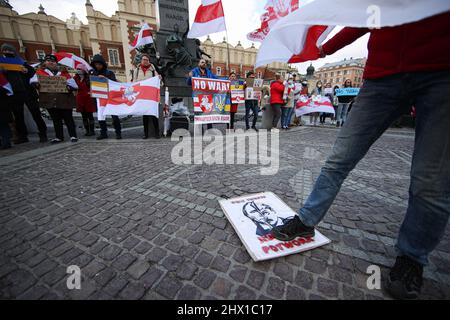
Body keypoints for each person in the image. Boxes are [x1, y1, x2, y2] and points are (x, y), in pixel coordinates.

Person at [271, 11, 450, 300]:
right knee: (338, 159)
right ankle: (305, 221)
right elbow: (365, 15)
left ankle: (412, 259)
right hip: (382, 76)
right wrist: (322, 49)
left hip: (442, 71)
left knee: (431, 180)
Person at [1, 43, 46, 144]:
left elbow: (33, 74)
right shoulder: (3, 65)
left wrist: (27, 71)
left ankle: (42, 133)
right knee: (18, 116)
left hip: (28, 92)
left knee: (36, 114)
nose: (7, 53)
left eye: (9, 51)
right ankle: (22, 135)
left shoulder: (22, 63)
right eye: (5, 51)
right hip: (15, 93)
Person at [36, 54, 78, 143]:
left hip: (64, 100)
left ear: (56, 63)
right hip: (50, 100)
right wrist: (36, 85)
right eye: (48, 61)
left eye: (53, 61)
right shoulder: (40, 72)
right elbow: (33, 81)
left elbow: (74, 85)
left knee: (68, 119)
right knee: (56, 119)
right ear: (45, 62)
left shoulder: (64, 73)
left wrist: (70, 88)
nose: (51, 62)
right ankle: (59, 136)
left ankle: (73, 135)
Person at [90, 54, 122, 140]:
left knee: (114, 116)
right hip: (99, 98)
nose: (98, 66)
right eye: (96, 64)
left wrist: (105, 79)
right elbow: (88, 83)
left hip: (110, 98)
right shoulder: (92, 73)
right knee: (100, 116)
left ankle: (118, 132)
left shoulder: (109, 73)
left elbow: (114, 83)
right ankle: (103, 133)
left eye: (99, 64)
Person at [132, 54, 161, 139]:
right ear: (141, 60)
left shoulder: (153, 70)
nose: (145, 61)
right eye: (143, 59)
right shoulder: (136, 70)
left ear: (149, 61)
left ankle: (157, 133)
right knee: (144, 116)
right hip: (141, 96)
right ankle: (146, 133)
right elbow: (134, 82)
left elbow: (159, 83)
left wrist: (159, 78)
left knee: (154, 115)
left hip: (151, 96)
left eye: (147, 60)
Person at [187, 59, 218, 132]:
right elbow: (188, 83)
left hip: (208, 96)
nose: (204, 64)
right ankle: (200, 130)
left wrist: (227, 80)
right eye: (202, 62)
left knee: (208, 113)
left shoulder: (209, 73)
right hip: (198, 96)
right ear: (199, 64)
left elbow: (217, 80)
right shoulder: (194, 71)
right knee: (198, 113)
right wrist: (189, 77)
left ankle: (210, 130)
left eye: (205, 63)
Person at [73, 64, 96, 137]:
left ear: (83, 70)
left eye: (80, 69)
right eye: (77, 69)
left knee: (90, 115)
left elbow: (92, 86)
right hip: (80, 98)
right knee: (84, 116)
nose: (78, 70)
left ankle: (92, 130)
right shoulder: (75, 78)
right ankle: (87, 130)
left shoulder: (88, 78)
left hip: (88, 98)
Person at [0, 72, 13, 149]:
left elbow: (8, 90)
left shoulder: (2, 79)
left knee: (3, 125)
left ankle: (6, 142)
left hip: (2, 107)